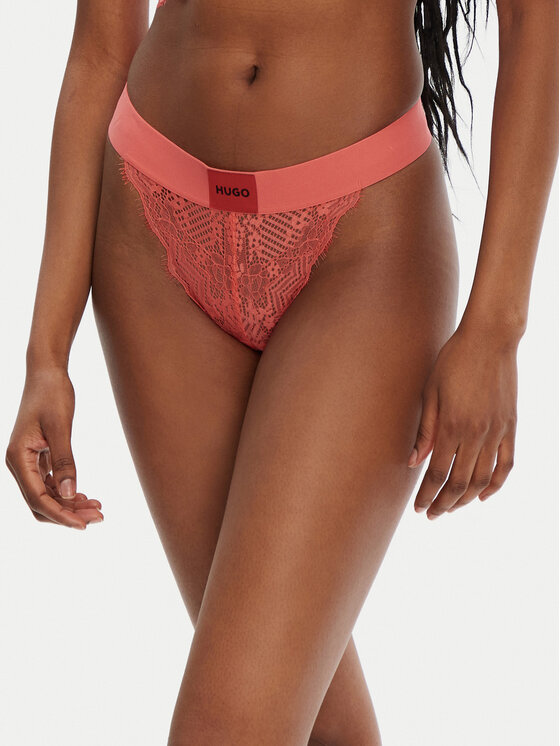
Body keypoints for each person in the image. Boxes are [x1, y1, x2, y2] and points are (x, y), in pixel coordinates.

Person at [5, 0, 557, 744]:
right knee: (300, 713)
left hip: (364, 245)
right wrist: (45, 353)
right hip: (149, 230)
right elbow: (101, 51)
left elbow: (531, 19)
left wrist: (496, 327)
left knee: (230, 722)